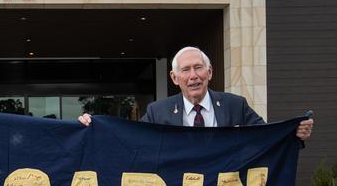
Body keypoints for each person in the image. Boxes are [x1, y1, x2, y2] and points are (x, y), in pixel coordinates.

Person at [78, 47, 313, 140]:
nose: (193, 76)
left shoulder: (235, 106)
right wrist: (95, 128)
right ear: (174, 78)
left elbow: (266, 137)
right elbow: (132, 141)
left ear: (209, 72)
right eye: (186, 70)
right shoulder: (157, 112)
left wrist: (293, 134)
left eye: (198, 68)